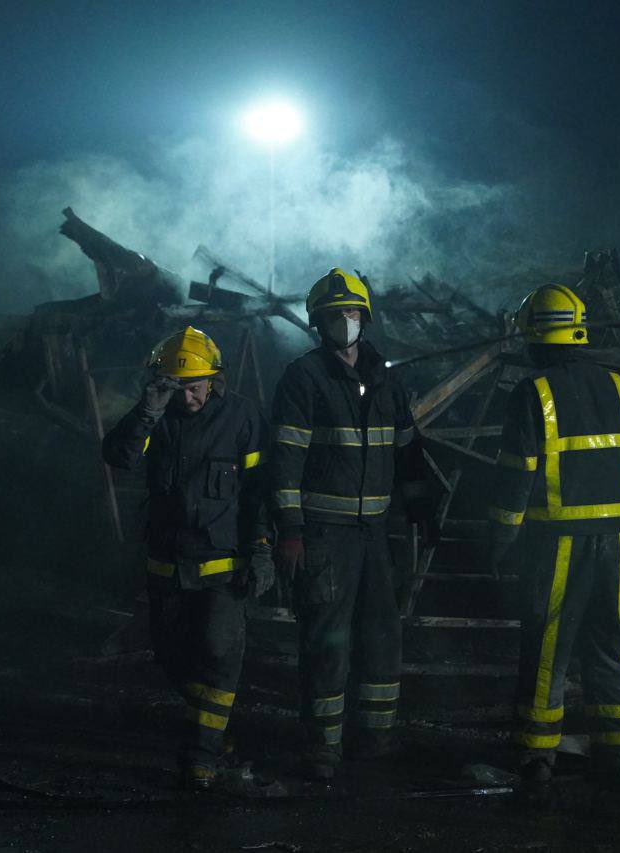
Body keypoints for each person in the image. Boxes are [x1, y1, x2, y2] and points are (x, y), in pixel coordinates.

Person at [485, 284, 620, 790]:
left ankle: (537, 758)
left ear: (536, 337)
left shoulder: (532, 392)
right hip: (617, 544)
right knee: (610, 648)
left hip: (558, 545)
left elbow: (515, 477)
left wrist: (498, 541)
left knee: (547, 650)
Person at [268, 268, 438, 780]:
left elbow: (407, 452)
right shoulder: (304, 378)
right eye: (335, 314)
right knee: (327, 640)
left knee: (383, 635)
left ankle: (377, 738)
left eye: (353, 312)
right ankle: (323, 747)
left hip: (377, 535)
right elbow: (285, 461)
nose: (345, 321)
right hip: (324, 535)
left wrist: (422, 508)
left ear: (365, 317)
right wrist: (291, 530)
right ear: (317, 323)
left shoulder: (386, 377)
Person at [103, 327, 272, 790]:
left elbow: (259, 492)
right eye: (180, 386)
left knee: (218, 654)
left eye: (196, 385)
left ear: (214, 379)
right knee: (171, 658)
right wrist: (148, 411)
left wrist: (261, 550)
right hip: (167, 564)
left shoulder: (241, 417)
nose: (189, 395)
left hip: (222, 565)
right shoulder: (156, 418)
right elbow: (119, 457)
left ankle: (201, 757)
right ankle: (216, 733)